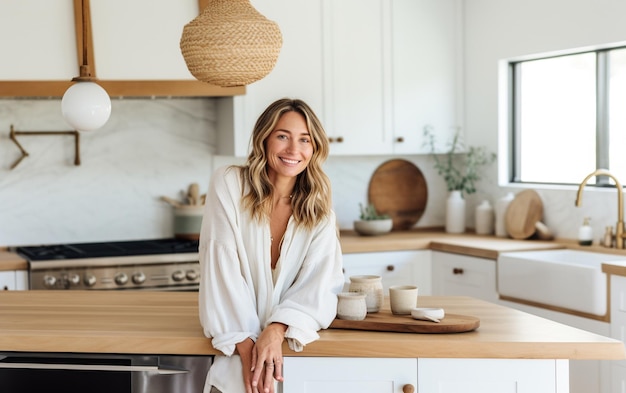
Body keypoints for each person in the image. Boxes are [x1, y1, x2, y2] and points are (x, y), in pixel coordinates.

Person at [198, 98, 345, 393]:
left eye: (304, 140)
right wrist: (247, 347)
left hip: (295, 367)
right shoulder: (230, 184)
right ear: (263, 139)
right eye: (282, 136)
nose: (294, 150)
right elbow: (221, 268)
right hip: (236, 359)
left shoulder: (319, 213)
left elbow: (321, 287)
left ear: (314, 148)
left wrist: (275, 329)